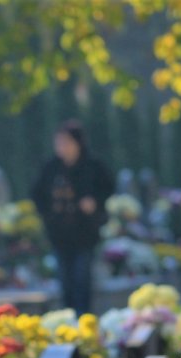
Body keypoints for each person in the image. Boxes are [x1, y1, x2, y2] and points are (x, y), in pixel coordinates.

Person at [31, 120, 115, 315]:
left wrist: (94, 202)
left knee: (82, 278)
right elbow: (37, 194)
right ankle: (67, 318)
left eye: (66, 143)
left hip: (85, 233)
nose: (62, 147)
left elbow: (108, 187)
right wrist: (49, 214)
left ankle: (83, 317)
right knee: (65, 280)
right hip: (59, 234)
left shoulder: (92, 165)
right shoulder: (51, 167)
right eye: (59, 143)